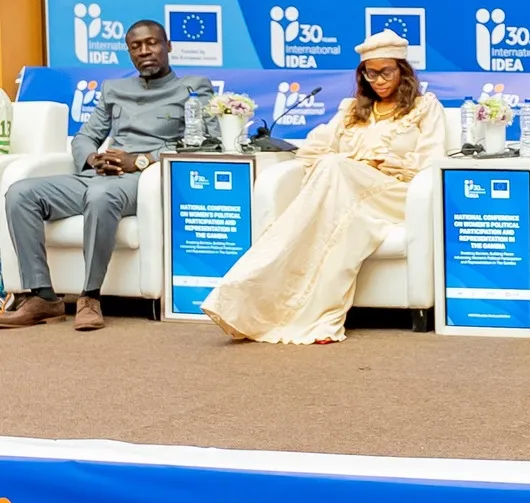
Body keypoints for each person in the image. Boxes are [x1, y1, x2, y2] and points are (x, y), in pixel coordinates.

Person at [202, 31, 445, 344]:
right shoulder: (349, 111)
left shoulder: (425, 108)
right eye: (371, 73)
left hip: (397, 194)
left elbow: (431, 161)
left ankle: (243, 287)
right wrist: (353, 163)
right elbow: (313, 151)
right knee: (345, 221)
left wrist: (377, 164)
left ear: (403, 72)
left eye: (386, 72)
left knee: (334, 170)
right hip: (348, 197)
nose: (379, 80)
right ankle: (317, 320)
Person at [1, 19, 204, 330]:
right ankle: (43, 296)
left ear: (168, 46)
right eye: (135, 47)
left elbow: (203, 143)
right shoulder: (115, 89)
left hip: (143, 180)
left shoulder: (192, 88)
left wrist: (139, 160)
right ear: (129, 53)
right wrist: (92, 157)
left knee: (100, 196)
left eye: (152, 43)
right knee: (20, 192)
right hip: (98, 175)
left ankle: (90, 297)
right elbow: (84, 137)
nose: (144, 51)